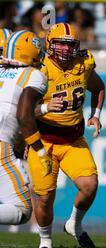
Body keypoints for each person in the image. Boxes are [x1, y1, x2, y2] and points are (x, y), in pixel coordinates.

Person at [27, 23, 105, 248]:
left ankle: (74, 223)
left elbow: (98, 87)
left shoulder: (83, 64)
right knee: (44, 197)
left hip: (73, 140)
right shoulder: (40, 70)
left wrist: (95, 115)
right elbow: (22, 111)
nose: (64, 49)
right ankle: (45, 240)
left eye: (69, 44)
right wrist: (45, 108)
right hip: (44, 141)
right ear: (50, 44)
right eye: (60, 43)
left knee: (89, 185)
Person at [0, 30, 51, 228]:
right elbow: (24, 115)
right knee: (21, 210)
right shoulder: (34, 75)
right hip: (2, 144)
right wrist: (39, 149)